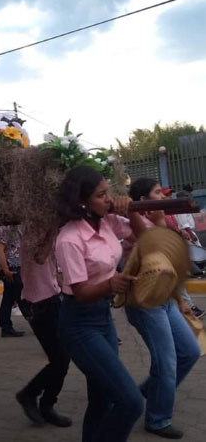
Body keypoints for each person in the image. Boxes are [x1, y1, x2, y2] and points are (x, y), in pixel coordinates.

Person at [55, 166, 147, 441]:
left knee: (101, 398)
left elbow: (143, 239)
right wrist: (110, 285)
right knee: (131, 402)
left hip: (103, 319)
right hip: (79, 324)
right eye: (101, 195)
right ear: (82, 202)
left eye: (109, 192)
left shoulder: (108, 222)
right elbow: (81, 293)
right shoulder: (69, 239)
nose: (109, 199)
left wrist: (130, 210)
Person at [122, 178, 201, 439]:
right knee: (166, 362)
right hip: (145, 303)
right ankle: (158, 419)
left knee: (189, 352)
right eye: (158, 193)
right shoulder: (132, 223)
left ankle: (147, 392)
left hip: (165, 299)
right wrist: (158, 223)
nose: (164, 197)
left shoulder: (158, 221)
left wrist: (180, 299)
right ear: (143, 201)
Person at [14, 238, 72, 428]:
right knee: (60, 359)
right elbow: (40, 257)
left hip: (53, 298)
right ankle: (32, 396)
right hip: (39, 303)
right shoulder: (33, 231)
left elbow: (54, 269)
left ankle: (45, 403)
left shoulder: (51, 233)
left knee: (62, 359)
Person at [0, 225, 27, 337]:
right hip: (11, 266)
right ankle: (33, 319)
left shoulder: (17, 225)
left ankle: (6, 326)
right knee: (19, 295)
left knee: (8, 297)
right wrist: (5, 269)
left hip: (17, 264)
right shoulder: (5, 227)